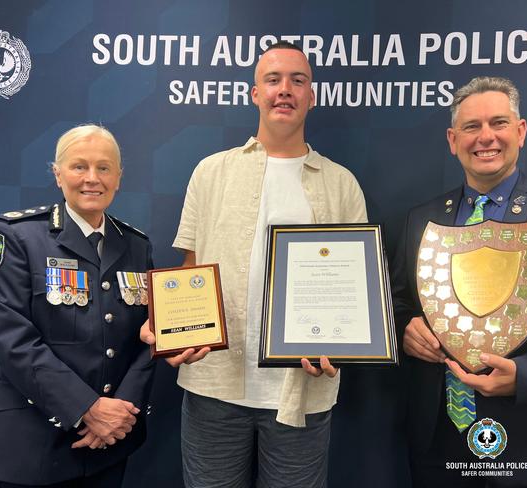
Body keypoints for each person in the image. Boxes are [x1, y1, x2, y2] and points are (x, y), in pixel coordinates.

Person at [141, 41, 367, 487]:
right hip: (214, 386)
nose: (285, 90)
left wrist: (342, 344)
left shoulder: (342, 184)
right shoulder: (211, 172)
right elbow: (188, 270)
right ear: (254, 94)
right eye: (273, 80)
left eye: (297, 80)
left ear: (312, 96)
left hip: (304, 390)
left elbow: (355, 291)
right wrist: (163, 326)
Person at [392, 76, 527, 487]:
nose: (486, 138)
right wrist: (405, 327)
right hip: (437, 443)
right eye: (472, 127)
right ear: (452, 139)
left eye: (498, 123)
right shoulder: (422, 221)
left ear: (521, 131)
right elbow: (401, 303)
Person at [0, 125, 156, 487]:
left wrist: (120, 416)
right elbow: (14, 341)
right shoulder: (16, 236)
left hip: (110, 444)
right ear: (58, 175)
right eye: (78, 167)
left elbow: (149, 337)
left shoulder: (137, 246)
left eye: (104, 168)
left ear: (118, 177)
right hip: (31, 444)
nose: (92, 178)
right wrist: (88, 409)